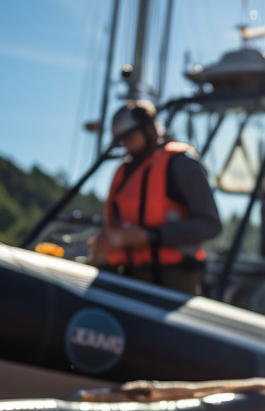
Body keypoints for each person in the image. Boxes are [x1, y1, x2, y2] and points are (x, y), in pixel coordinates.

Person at [92, 100, 222, 294]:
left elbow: (211, 225)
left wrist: (152, 236)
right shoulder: (123, 173)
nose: (126, 145)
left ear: (149, 129)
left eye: (130, 138)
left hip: (175, 283)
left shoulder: (181, 165)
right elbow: (112, 223)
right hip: (129, 277)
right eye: (122, 140)